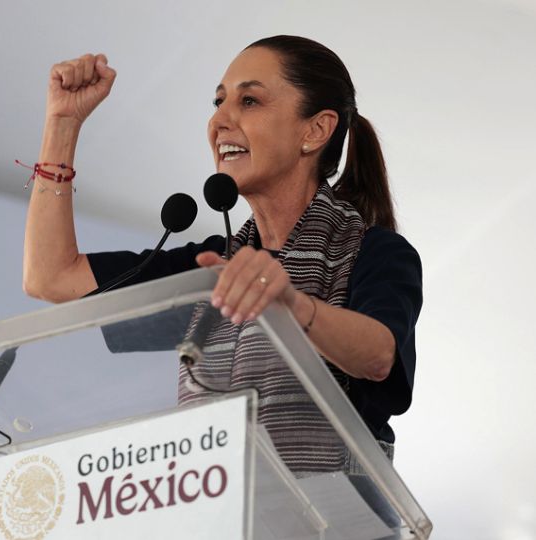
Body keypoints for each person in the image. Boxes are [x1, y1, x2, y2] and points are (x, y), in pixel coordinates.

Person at [23, 35, 421, 492]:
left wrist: (290, 305)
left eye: (249, 100)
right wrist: (62, 124)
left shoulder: (374, 252)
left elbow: (377, 356)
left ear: (315, 130)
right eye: (218, 101)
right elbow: (50, 277)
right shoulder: (213, 268)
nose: (219, 120)